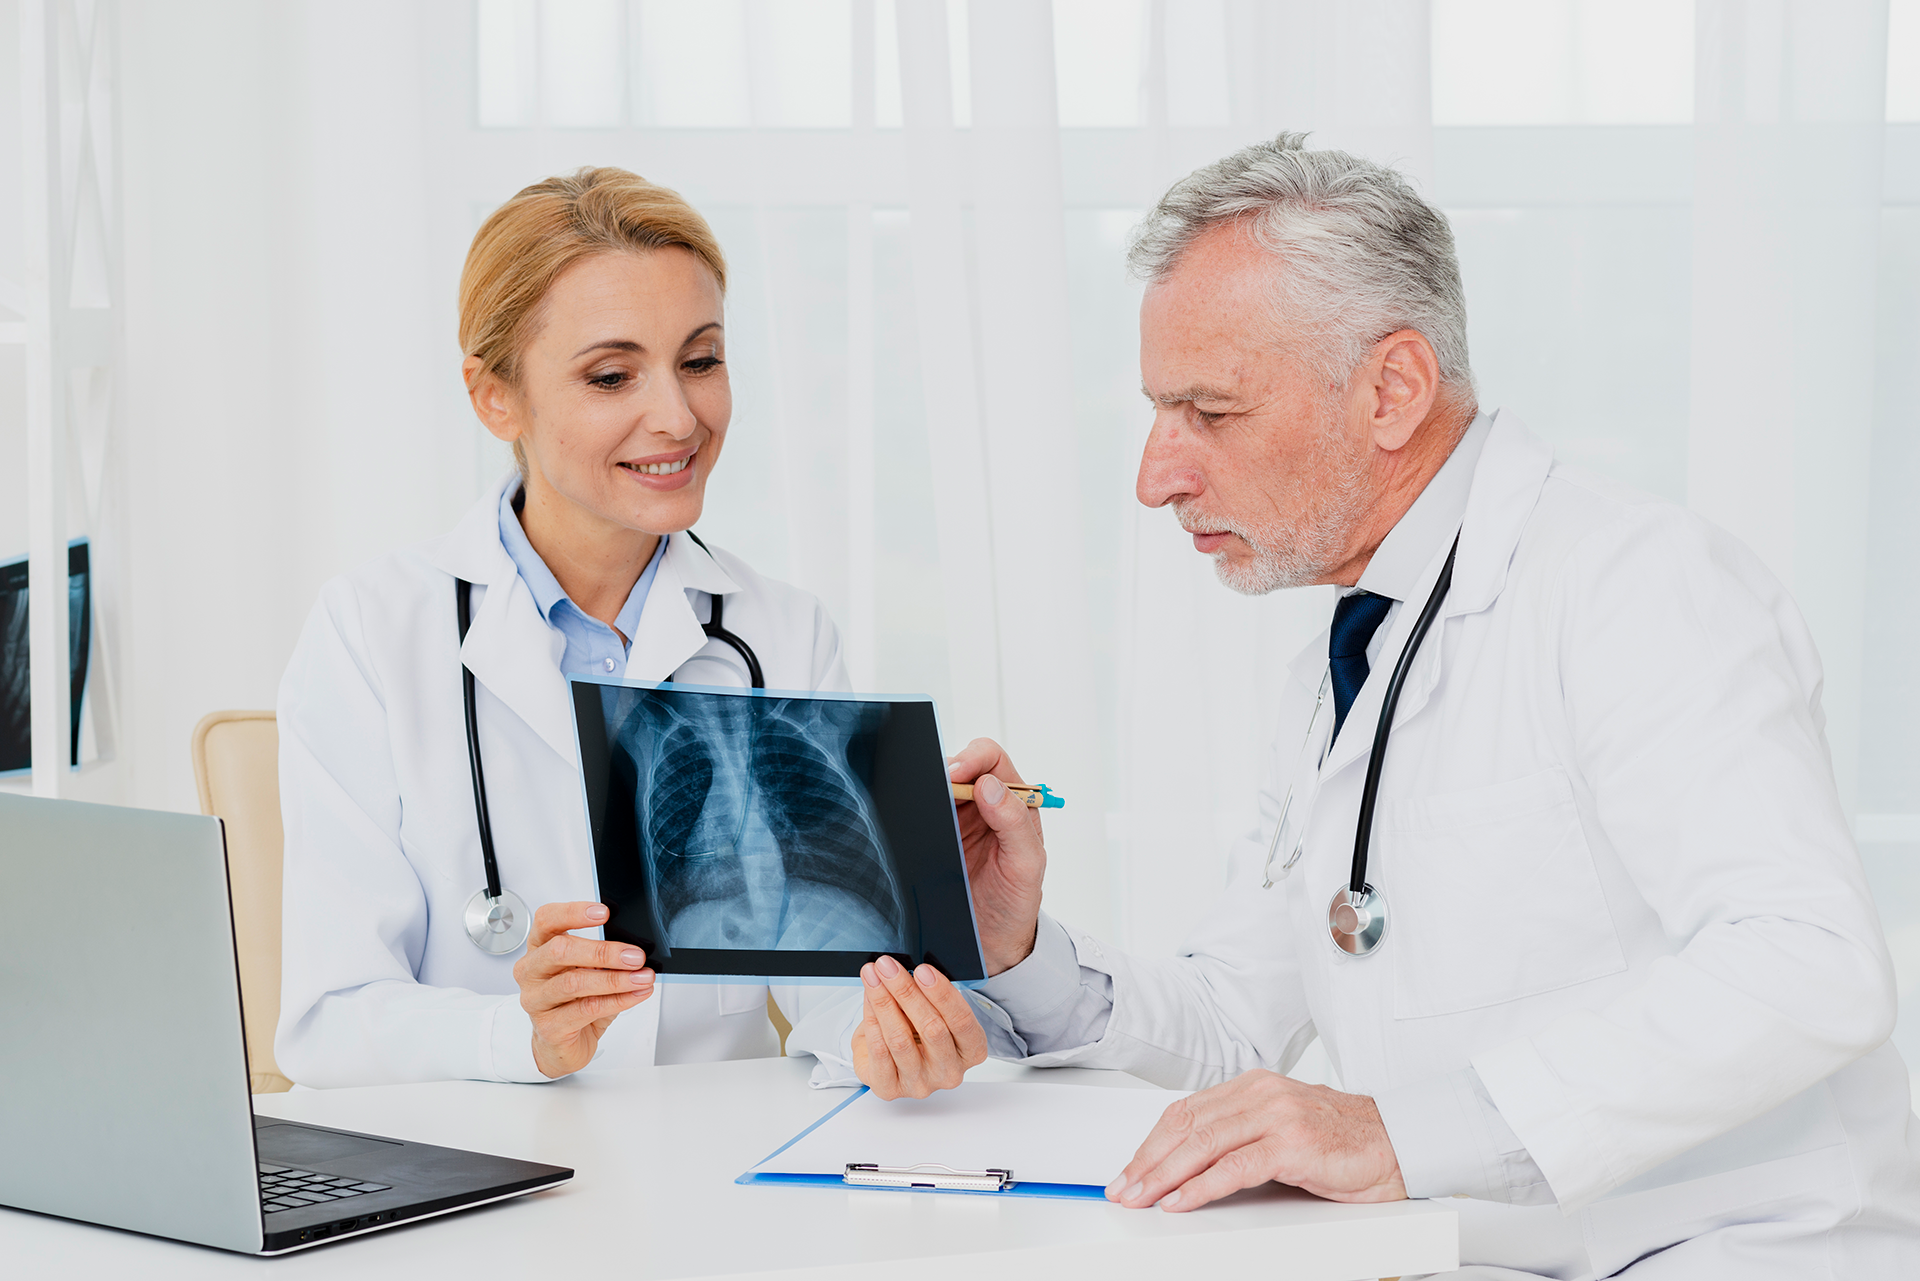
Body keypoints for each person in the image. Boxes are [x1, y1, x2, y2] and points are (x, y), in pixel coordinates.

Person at [848, 135, 1920, 1276]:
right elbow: (1233, 1026)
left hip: (1734, 1250)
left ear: (1392, 389)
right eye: (1161, 412)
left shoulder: (1634, 585)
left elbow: (1809, 963)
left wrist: (1400, 1135)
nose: (1156, 478)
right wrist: (1014, 944)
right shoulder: (1353, 654)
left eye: (1209, 411)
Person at [276, 167, 857, 1087]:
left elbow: (837, 984)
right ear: (494, 396)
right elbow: (327, 1021)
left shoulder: (782, 634)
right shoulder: (371, 633)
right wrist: (521, 1036)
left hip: (718, 1155)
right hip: (481, 1157)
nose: (678, 417)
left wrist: (891, 1024)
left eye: (700, 360)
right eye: (612, 375)